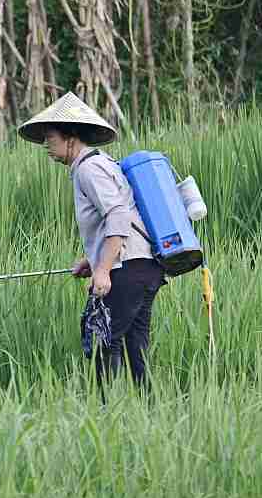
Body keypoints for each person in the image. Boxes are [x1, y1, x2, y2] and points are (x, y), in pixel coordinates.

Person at [17, 91, 165, 394]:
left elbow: (118, 215)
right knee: (135, 347)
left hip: (128, 268)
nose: (46, 145)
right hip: (144, 266)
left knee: (101, 340)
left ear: (71, 138)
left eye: (51, 137)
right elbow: (119, 218)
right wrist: (93, 261)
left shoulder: (88, 169)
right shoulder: (101, 163)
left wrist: (103, 269)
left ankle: (106, 412)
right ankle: (149, 410)